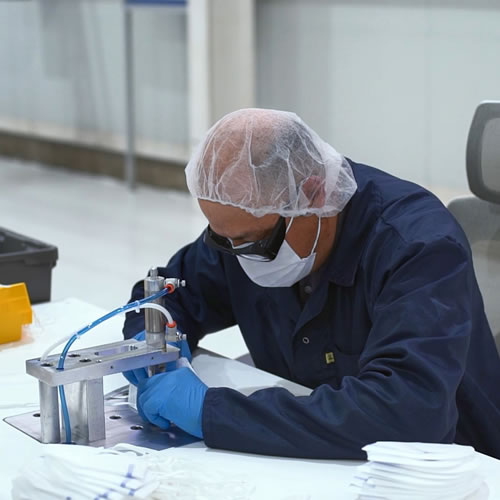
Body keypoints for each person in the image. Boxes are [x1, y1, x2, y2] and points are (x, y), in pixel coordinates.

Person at [123, 108, 500, 459]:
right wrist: (152, 337)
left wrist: (215, 413)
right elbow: (167, 294)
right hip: (312, 455)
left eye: (253, 241)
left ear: (313, 195)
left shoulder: (417, 245)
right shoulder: (247, 228)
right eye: (222, 239)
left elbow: (408, 410)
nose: (238, 256)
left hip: (438, 468)